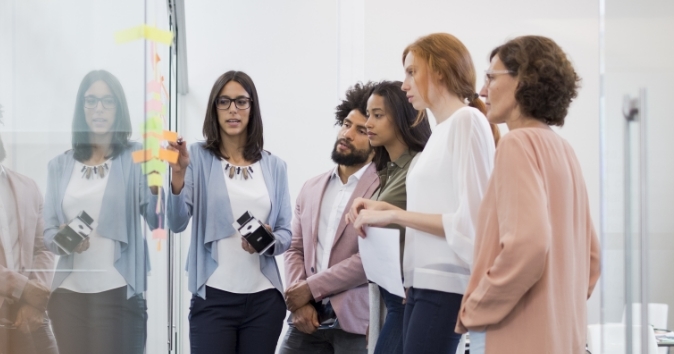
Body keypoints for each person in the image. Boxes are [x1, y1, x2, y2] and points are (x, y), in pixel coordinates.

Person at [347, 33, 498, 354]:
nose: (404, 84)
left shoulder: (467, 121)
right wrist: (377, 206)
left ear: (439, 70)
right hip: (419, 283)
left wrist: (394, 214)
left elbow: (474, 222)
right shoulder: (441, 132)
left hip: (445, 283)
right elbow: (437, 205)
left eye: (412, 72)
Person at [455, 35, 601, 354]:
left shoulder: (516, 144)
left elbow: (527, 245)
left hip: (516, 336)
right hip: (563, 336)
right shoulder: (563, 149)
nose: (482, 90)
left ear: (524, 81)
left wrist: (477, 307)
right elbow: (592, 260)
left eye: (492, 77)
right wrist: (556, 303)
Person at [167, 71, 291, 354]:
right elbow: (176, 223)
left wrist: (268, 240)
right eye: (224, 102)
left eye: (241, 101)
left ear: (252, 107)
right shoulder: (196, 157)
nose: (233, 109)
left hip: (264, 300)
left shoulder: (275, 166)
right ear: (214, 108)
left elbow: (286, 234)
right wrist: (178, 174)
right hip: (213, 298)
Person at [43, 70, 161, 354]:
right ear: (81, 108)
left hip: (120, 296)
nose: (98, 109)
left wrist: (157, 181)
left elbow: (158, 219)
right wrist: (63, 237)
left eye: (108, 101)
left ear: (118, 108)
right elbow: (48, 235)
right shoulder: (59, 166)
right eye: (91, 101)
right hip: (69, 298)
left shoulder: (137, 157)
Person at [280, 82, 379, 354]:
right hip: (306, 319)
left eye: (361, 130)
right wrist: (299, 302)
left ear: (376, 140)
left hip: (355, 323)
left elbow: (368, 259)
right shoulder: (311, 188)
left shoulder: (382, 191)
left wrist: (310, 289)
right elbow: (294, 247)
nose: (347, 134)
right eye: (346, 124)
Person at [358, 80, 431, 354]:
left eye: (378, 115)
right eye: (368, 114)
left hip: (408, 297)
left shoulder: (418, 167)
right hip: (389, 298)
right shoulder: (388, 170)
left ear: (401, 118)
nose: (368, 123)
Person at [0, 110, 58, 354]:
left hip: (29, 319)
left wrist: (34, 302)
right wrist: (23, 288)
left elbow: (43, 246)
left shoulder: (28, 186)